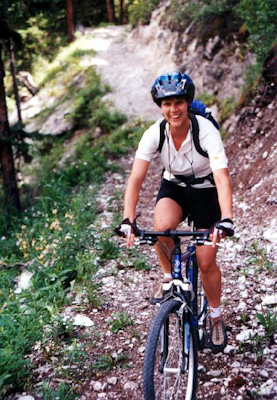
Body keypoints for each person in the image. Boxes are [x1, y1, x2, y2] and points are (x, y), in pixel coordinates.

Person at [116, 72, 234, 352]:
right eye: (167, 104)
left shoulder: (206, 131)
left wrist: (226, 218)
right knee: (161, 228)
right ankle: (171, 277)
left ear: (187, 103)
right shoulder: (155, 132)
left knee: (206, 263)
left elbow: (222, 178)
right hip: (175, 187)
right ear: (160, 106)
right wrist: (128, 219)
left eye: (179, 102)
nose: (173, 109)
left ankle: (215, 318)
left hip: (206, 191)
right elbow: (135, 179)